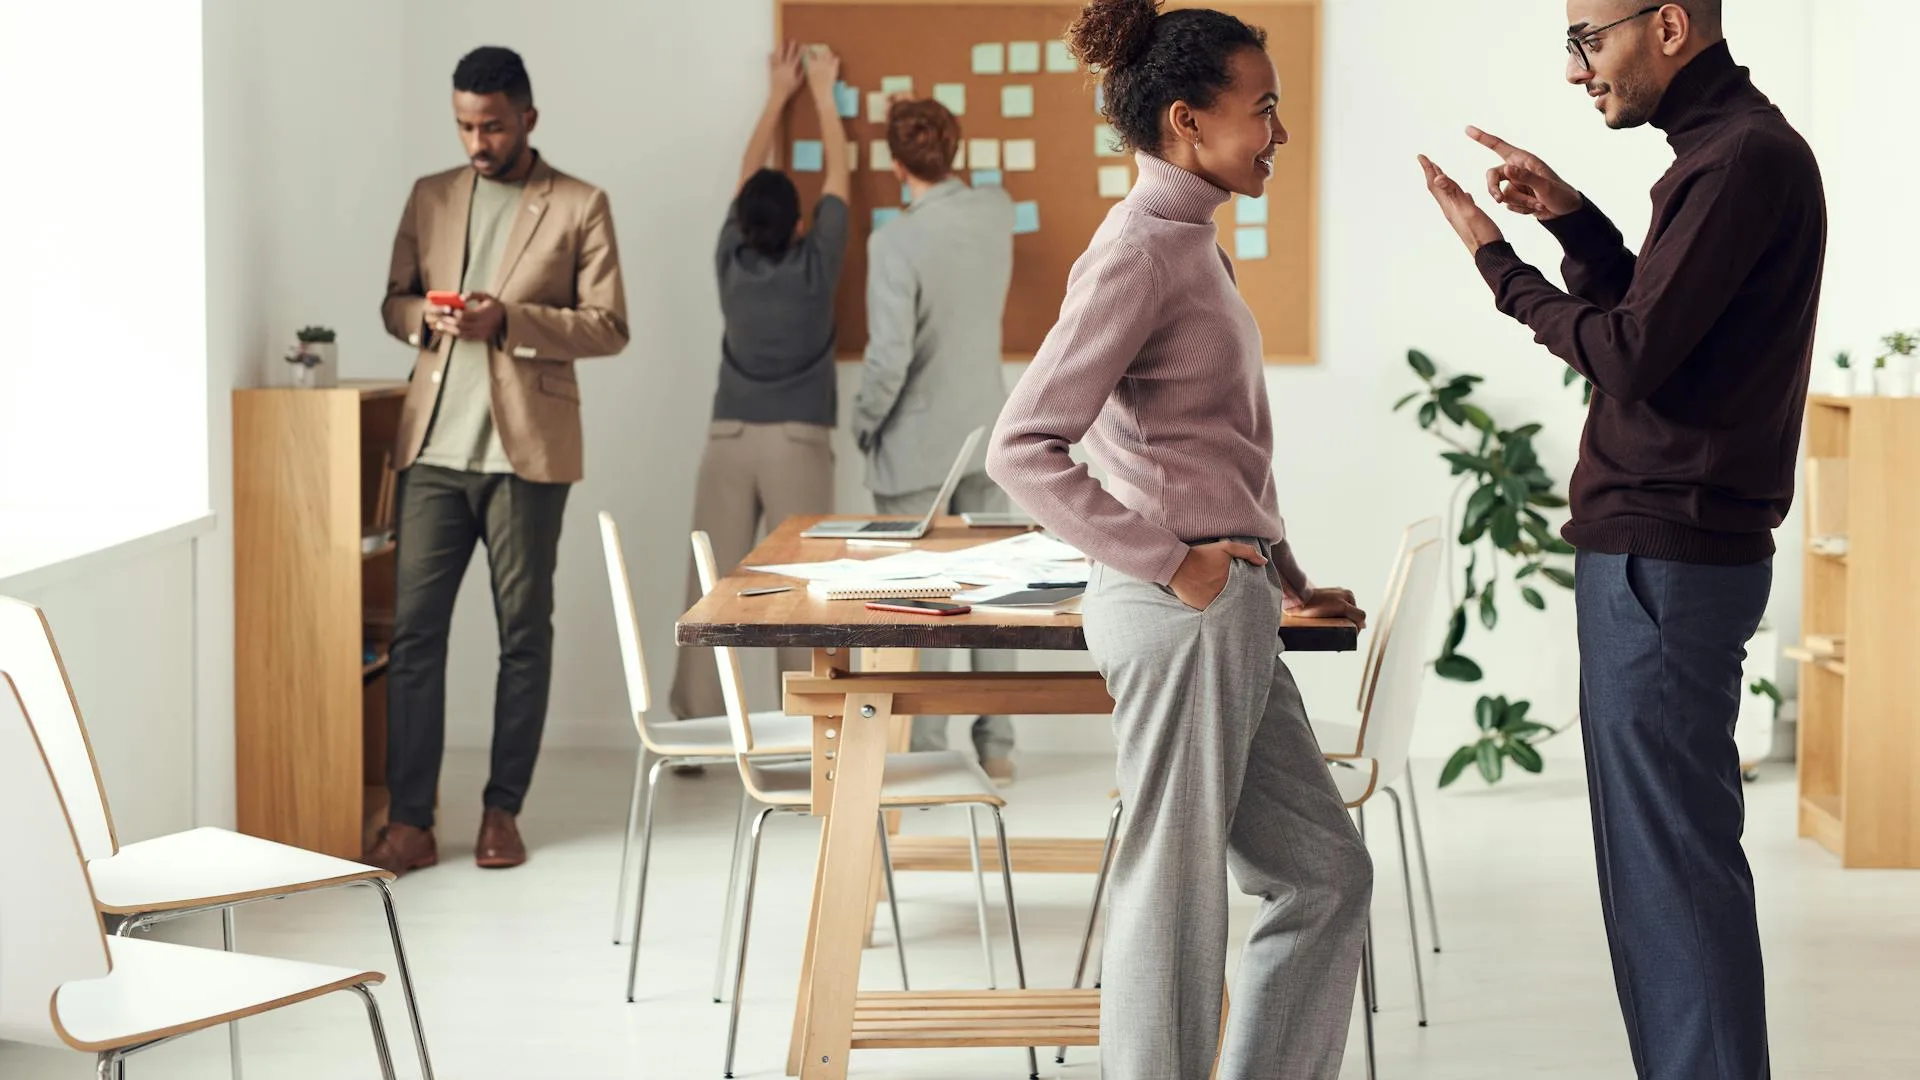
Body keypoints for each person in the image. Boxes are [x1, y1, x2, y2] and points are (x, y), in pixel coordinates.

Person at [1418, 3, 1824, 1077]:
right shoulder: (1724, 154)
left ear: (1672, 26)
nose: (1572, 69)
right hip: (1672, 555)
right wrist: (1577, 223)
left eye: (1588, 38)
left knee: (1670, 878)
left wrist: (1497, 261)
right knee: (1664, 874)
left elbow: (1632, 356)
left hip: (1666, 559)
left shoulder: (1737, 160)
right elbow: (1676, 333)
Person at [988, 3, 1371, 1076]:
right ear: (1187, 123)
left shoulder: (1190, 241)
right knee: (1175, 890)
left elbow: (1220, 447)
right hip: (1182, 608)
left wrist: (1285, 576)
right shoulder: (1141, 252)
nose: (1280, 133)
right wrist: (1174, 563)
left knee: (1327, 876)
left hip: (1230, 600)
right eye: (1264, 111)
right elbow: (1023, 447)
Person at [368, 45, 629, 876]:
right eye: (465, 126)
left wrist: (509, 321)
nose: (477, 142)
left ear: (527, 118)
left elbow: (609, 325)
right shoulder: (431, 196)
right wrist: (428, 319)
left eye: (491, 126)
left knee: (523, 636)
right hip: (434, 451)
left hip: (527, 457)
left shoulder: (581, 205)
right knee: (414, 639)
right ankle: (410, 819)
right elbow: (393, 299)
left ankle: (500, 811)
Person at [667, 43, 851, 735]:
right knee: (801, 592)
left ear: (742, 224)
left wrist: (778, 93)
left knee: (711, 585)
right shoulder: (816, 265)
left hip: (728, 440)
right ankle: (804, 724)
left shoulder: (730, 261)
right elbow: (839, 176)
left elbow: (749, 178)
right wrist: (825, 93)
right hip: (799, 443)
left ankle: (691, 728)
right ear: (800, 224)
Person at [854, 96, 1021, 780]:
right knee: (994, 590)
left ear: (895, 164)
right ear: (953, 152)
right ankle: (998, 747)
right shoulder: (997, 212)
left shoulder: (892, 241)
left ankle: (926, 752)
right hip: (989, 429)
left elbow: (888, 358)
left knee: (919, 599)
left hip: (917, 446)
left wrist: (865, 421)